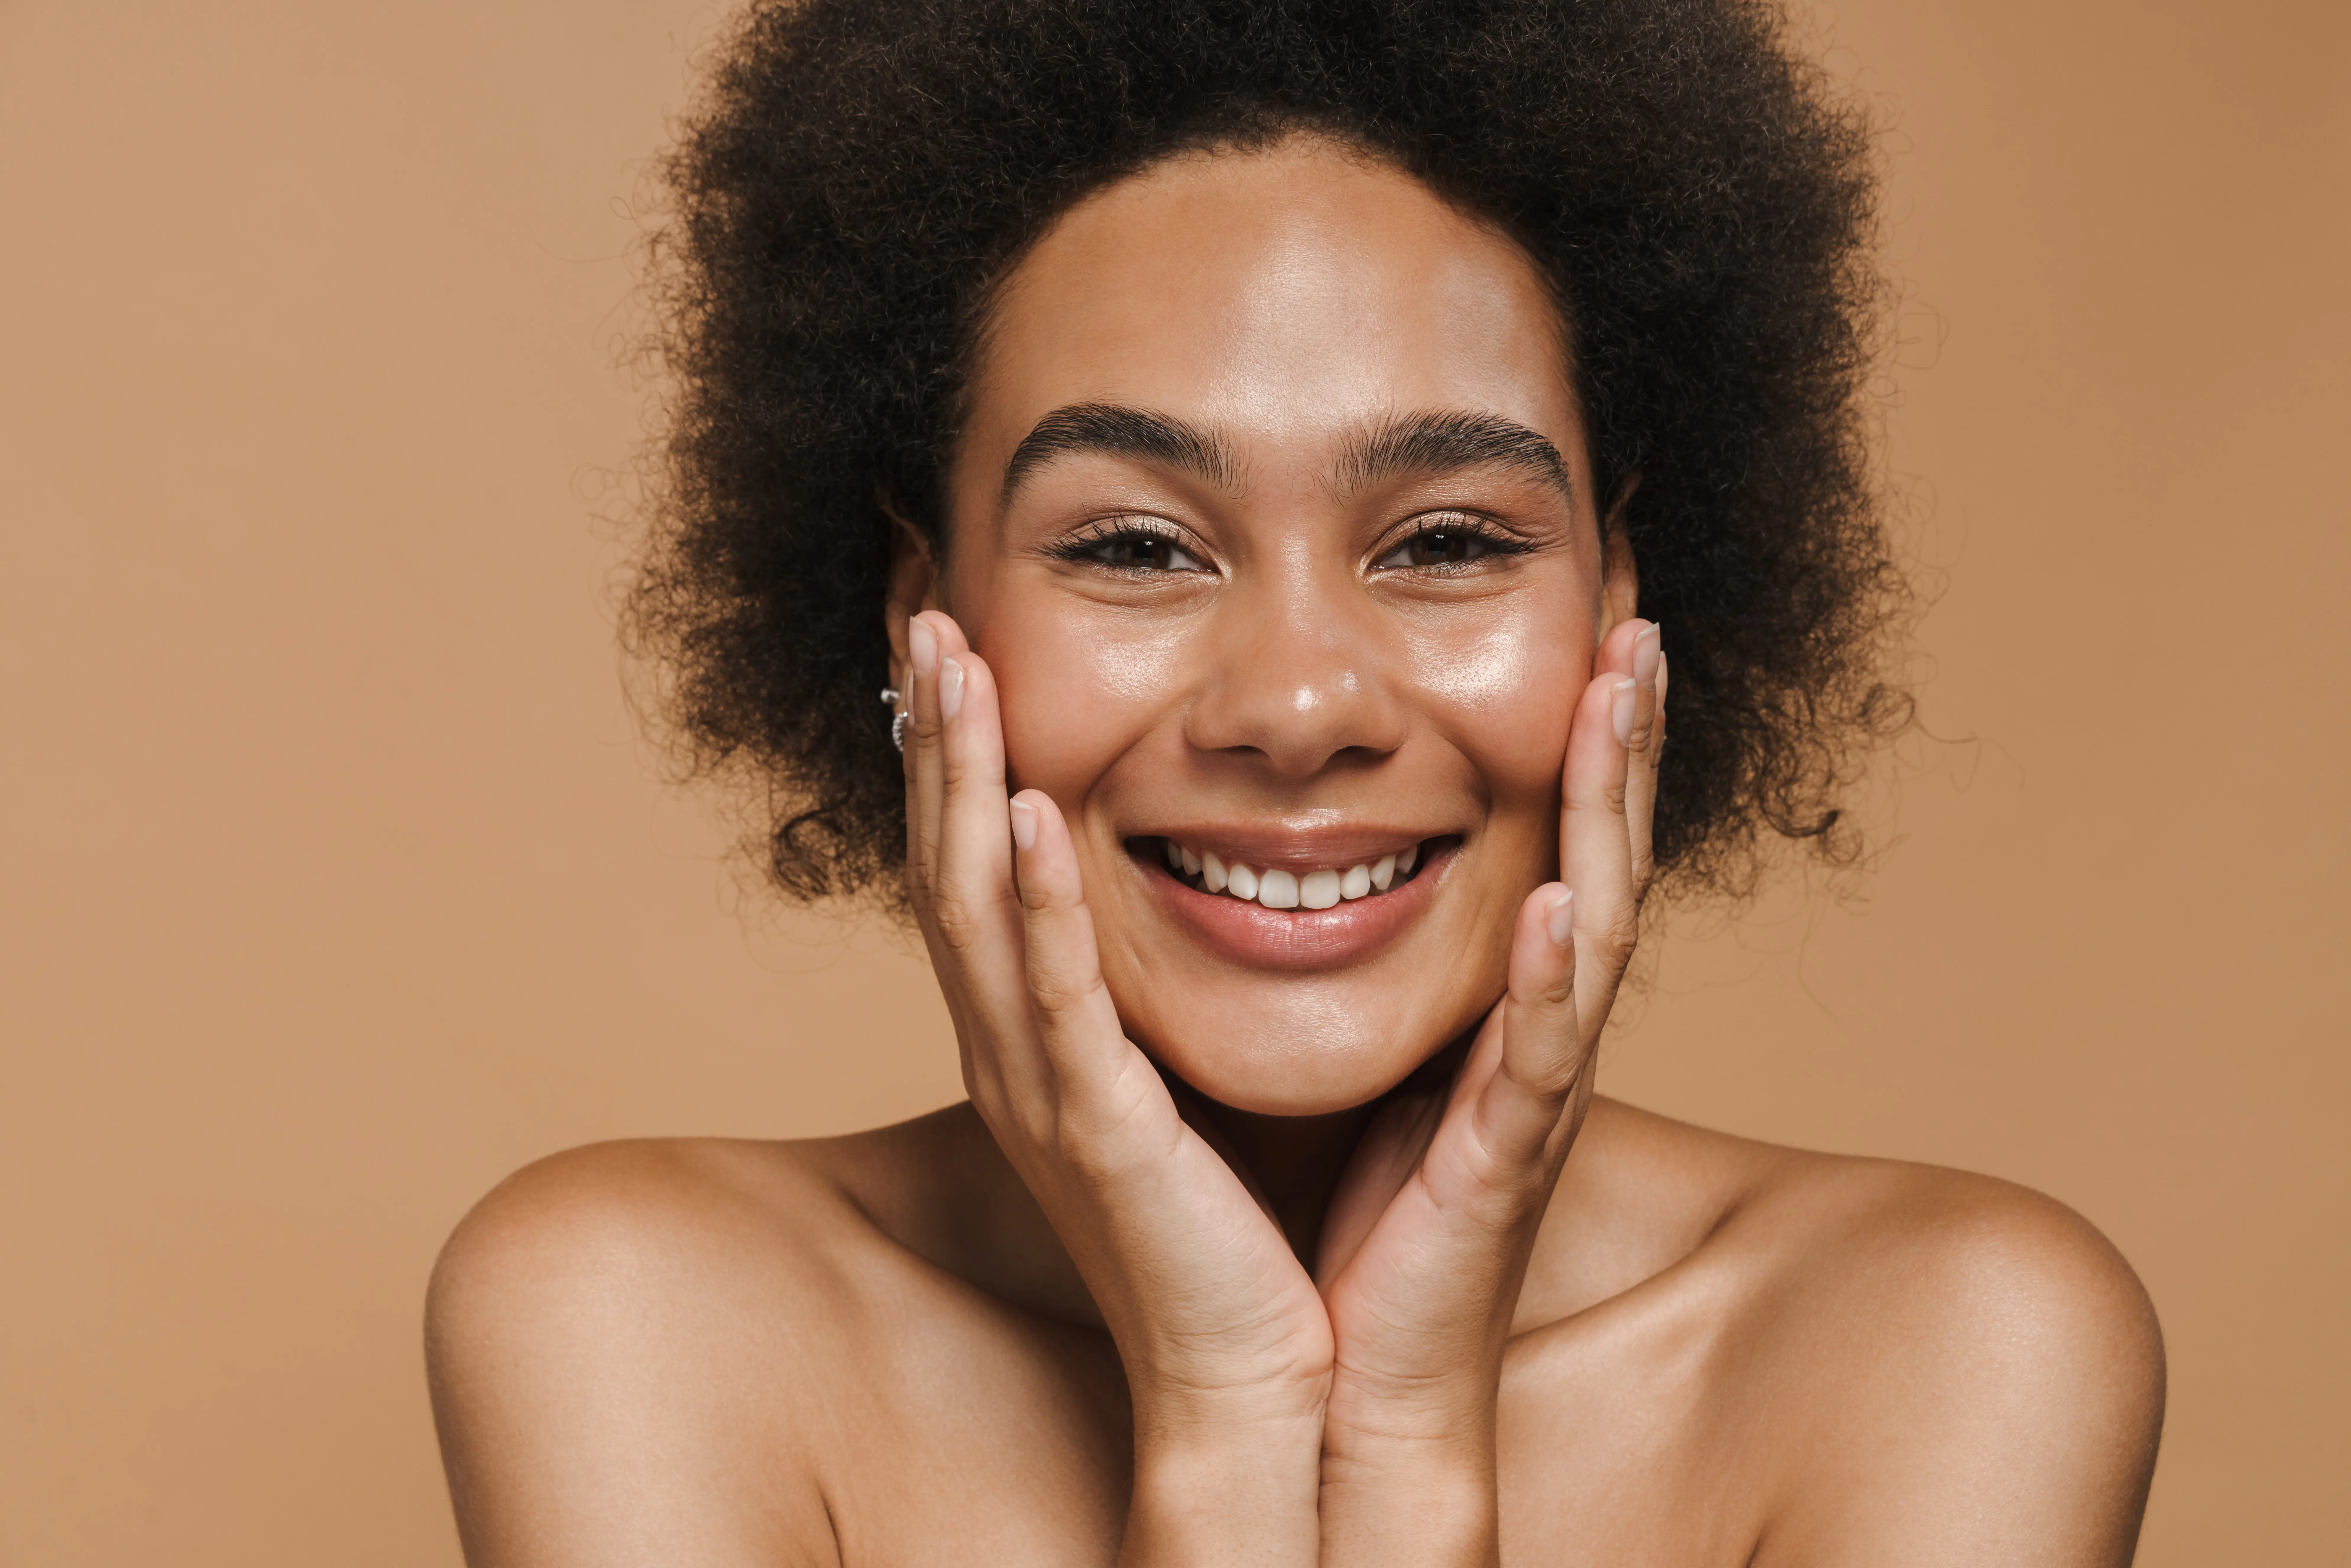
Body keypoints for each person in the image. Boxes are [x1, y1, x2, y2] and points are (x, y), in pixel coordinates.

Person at [425, 1, 2165, 1561]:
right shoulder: (636, 1319)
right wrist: (1227, 1418)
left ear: (1618, 611)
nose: (1298, 702)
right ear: (925, 620)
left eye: (1449, 539)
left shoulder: (1949, 1346)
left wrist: (1408, 1448)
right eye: (1131, 543)